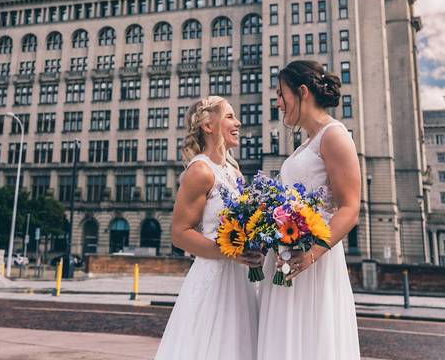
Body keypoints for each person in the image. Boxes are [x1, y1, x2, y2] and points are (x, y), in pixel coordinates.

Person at [256, 60, 361, 359]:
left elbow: (350, 208)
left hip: (314, 262)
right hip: (287, 258)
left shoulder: (334, 135)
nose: (277, 103)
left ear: (302, 92)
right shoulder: (306, 144)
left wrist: (310, 254)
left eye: (280, 94)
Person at [154, 96, 262, 360]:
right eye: (229, 116)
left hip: (241, 281)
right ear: (207, 125)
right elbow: (180, 234)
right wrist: (228, 252)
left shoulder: (235, 174)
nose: (237, 123)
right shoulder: (200, 171)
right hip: (213, 281)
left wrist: (257, 245)